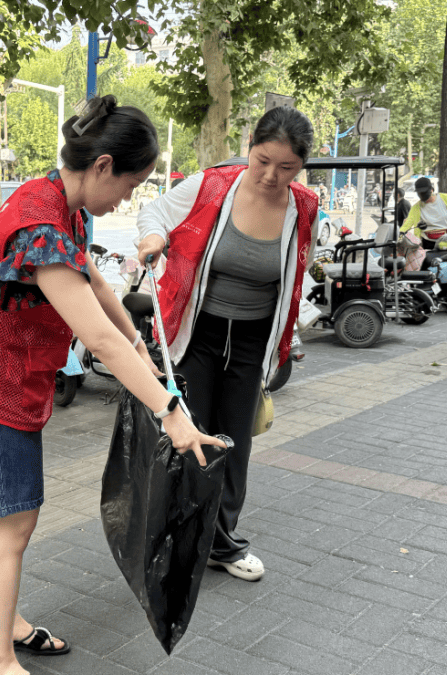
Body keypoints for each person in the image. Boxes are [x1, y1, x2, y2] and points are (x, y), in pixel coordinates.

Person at [0, 95, 227, 675]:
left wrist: (138, 340)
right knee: (10, 525)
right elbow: (101, 342)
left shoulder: (56, 200)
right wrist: (170, 409)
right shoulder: (42, 223)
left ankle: (5, 622)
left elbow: (93, 282)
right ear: (102, 166)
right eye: (131, 184)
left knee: (2, 522)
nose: (128, 198)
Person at [135, 106, 319, 583]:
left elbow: (299, 267)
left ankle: (221, 542)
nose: (271, 175)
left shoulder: (304, 206)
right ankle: (173, 538)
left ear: (301, 166)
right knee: (187, 432)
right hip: (200, 331)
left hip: (254, 339)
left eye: (286, 168)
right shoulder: (212, 185)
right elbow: (154, 210)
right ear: (250, 147)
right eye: (262, 160)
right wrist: (154, 236)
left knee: (234, 442)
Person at [399, 177, 447, 251]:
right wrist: (401, 232)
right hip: (428, 243)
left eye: (424, 192)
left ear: (431, 190)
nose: (421, 195)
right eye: (419, 193)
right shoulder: (416, 207)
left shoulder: (446, 199)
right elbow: (409, 221)